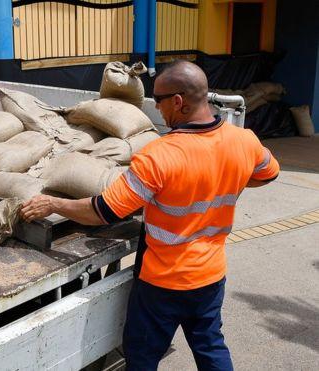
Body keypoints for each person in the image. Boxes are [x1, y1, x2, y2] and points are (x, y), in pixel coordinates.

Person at [20, 60, 279, 371]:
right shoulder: (245, 141)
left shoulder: (159, 155)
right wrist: (227, 177)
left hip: (162, 285)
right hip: (210, 276)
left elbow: (103, 211)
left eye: (159, 101)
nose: (157, 108)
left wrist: (54, 205)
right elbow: (268, 174)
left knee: (142, 356)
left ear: (179, 102)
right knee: (211, 347)